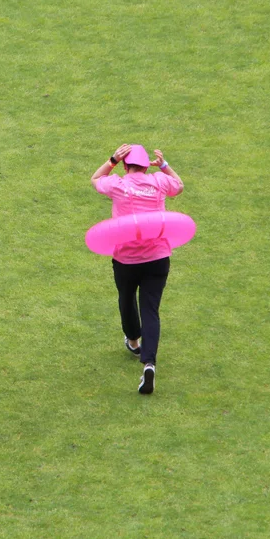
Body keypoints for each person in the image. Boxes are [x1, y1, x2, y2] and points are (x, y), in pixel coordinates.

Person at [91, 144, 184, 395]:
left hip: (126, 259)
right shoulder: (159, 182)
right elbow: (180, 185)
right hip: (157, 257)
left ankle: (133, 342)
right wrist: (163, 164)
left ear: (124, 165)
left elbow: (96, 179)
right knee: (150, 310)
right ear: (147, 166)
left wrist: (111, 160)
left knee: (126, 298)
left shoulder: (118, 184)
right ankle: (149, 364)